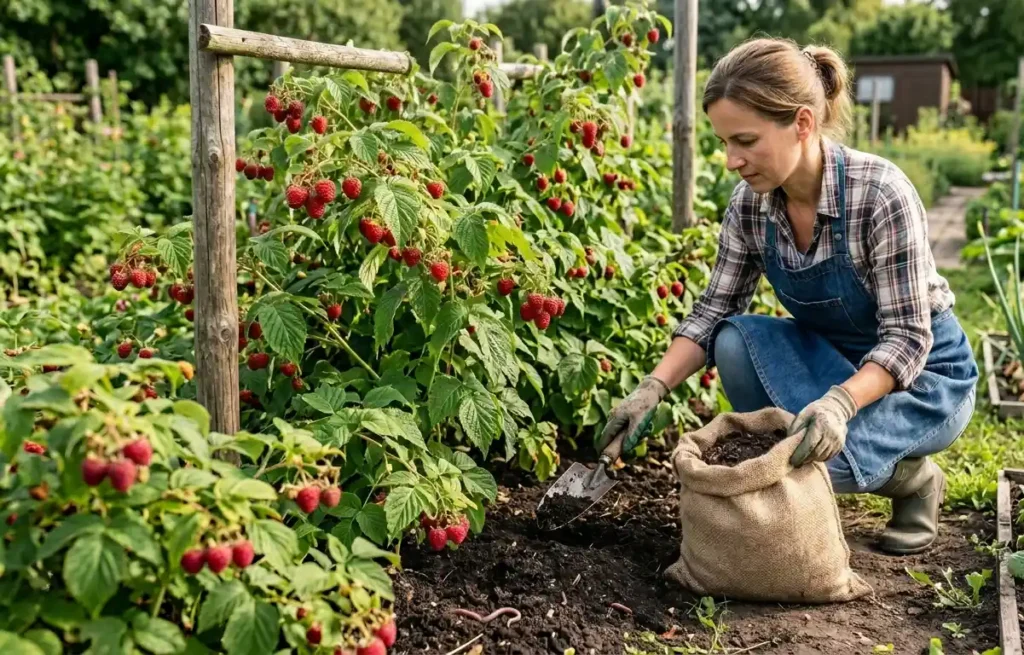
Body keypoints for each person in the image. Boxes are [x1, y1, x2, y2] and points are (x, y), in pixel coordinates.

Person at [597, 38, 978, 555]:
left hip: (926, 379)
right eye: (724, 141)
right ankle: (816, 476)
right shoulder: (751, 206)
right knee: (734, 341)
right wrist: (652, 389)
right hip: (836, 363)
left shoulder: (879, 194)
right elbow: (714, 311)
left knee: (812, 460)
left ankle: (915, 481)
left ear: (801, 123)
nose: (732, 160)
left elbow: (908, 338)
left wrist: (840, 404)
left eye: (746, 140)